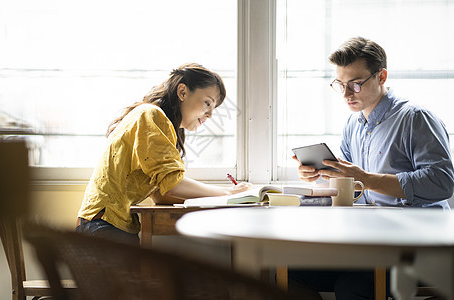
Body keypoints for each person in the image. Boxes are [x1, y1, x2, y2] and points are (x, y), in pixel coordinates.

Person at [290, 37, 454, 299]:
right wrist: (318, 175)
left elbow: (442, 182)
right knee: (290, 274)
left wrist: (366, 179)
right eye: (340, 85)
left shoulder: (415, 118)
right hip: (369, 243)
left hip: (416, 247)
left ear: (381, 77)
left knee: (351, 288)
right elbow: (347, 184)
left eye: (355, 84)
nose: (346, 94)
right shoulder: (353, 125)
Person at [75, 63, 252, 245]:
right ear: (182, 92)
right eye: (208, 103)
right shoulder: (152, 116)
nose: (210, 115)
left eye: (214, 108)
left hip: (107, 225)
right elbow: (173, 186)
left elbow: (161, 193)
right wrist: (228, 193)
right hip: (103, 226)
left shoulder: (160, 123)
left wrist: (215, 195)